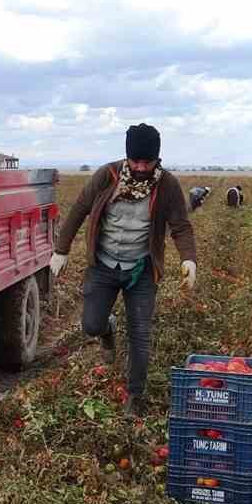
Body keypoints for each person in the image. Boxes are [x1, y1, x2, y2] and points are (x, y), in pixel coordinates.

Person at [50, 124, 197, 418]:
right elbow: (79, 209)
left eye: (148, 162)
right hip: (103, 265)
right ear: (127, 156)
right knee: (91, 325)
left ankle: (135, 396)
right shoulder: (108, 176)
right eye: (136, 161)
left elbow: (180, 225)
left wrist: (188, 259)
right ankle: (108, 329)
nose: (141, 167)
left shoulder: (166, 185)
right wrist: (61, 250)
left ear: (157, 158)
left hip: (141, 269)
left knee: (140, 333)